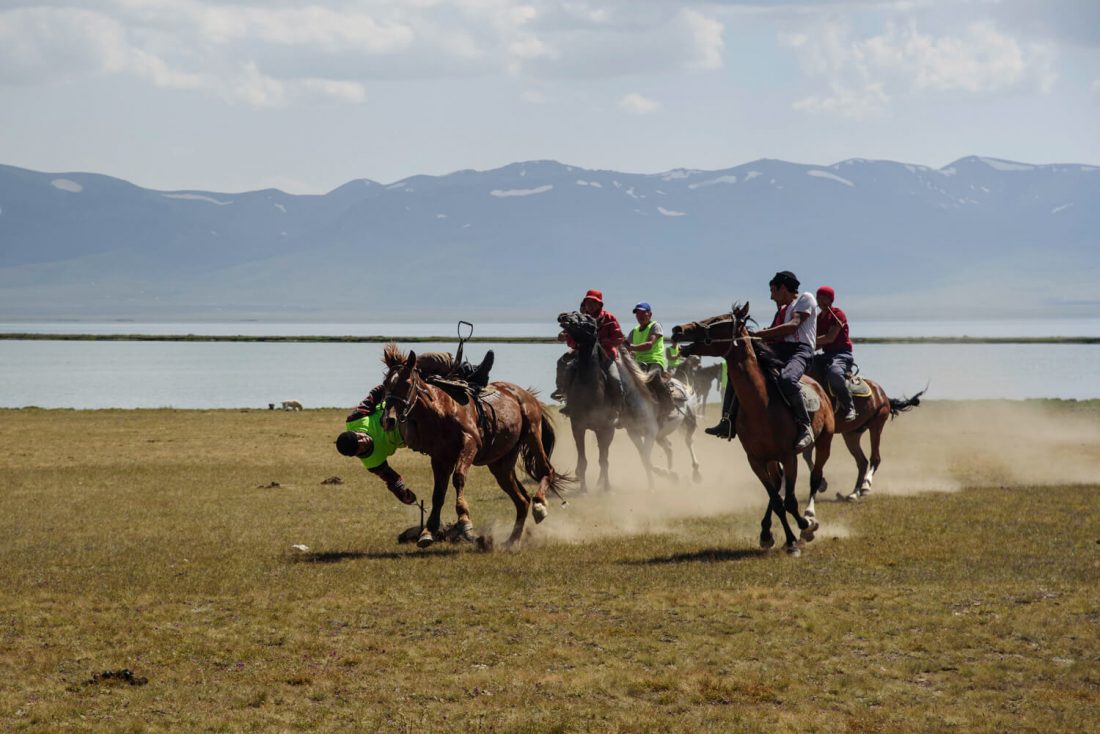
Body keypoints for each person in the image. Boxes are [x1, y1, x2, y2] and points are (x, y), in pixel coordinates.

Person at [335, 348, 495, 504]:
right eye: (361, 446)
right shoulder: (372, 462)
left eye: (360, 437)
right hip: (409, 432)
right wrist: (402, 493)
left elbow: (375, 394)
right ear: (357, 453)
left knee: (427, 360)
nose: (364, 441)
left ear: (356, 432)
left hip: (399, 404)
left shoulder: (355, 419)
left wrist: (394, 387)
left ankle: (472, 372)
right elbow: (391, 478)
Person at [705, 271, 817, 450]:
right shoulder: (782, 310)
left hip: (800, 351)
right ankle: (727, 421)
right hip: (780, 350)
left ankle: (805, 426)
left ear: (783, 288)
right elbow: (773, 332)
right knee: (740, 373)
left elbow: (793, 326)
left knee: (787, 379)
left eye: (773, 290)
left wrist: (758, 334)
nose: (771, 297)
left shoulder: (805, 298)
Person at [551, 289, 625, 408]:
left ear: (600, 304)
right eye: (587, 302)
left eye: (593, 302)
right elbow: (569, 335)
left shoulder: (609, 318)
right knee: (568, 370)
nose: (590, 305)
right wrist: (565, 336)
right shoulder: (579, 319)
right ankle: (564, 394)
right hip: (583, 354)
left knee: (614, 378)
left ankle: (618, 408)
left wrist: (601, 342)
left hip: (606, 356)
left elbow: (619, 338)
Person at [814, 285, 857, 422]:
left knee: (834, 373)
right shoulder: (819, 318)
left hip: (842, 355)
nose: (820, 300)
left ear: (830, 300)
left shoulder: (838, 314)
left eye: (823, 297)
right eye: (818, 297)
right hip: (827, 355)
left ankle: (849, 407)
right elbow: (819, 344)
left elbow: (829, 338)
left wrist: (809, 341)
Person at [625, 302, 667, 375]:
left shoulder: (655, 326)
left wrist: (631, 347)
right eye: (637, 314)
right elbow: (626, 346)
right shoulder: (634, 331)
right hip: (638, 363)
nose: (640, 316)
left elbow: (649, 345)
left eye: (643, 313)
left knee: (654, 379)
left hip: (654, 361)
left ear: (650, 314)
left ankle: (666, 386)